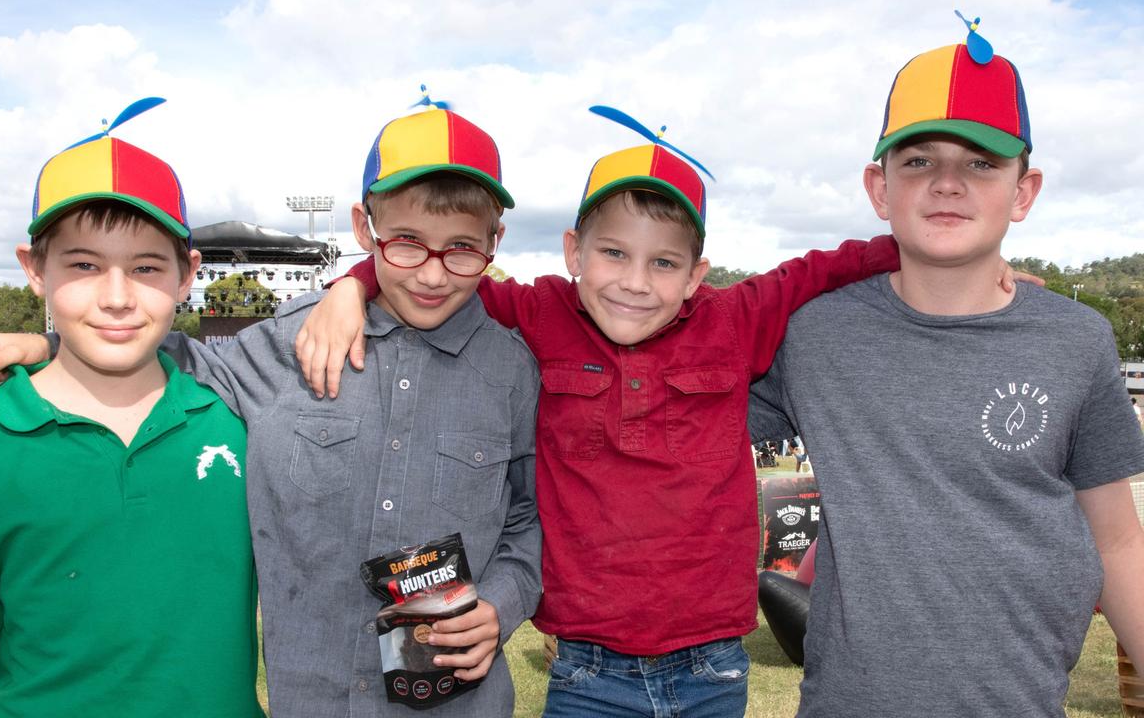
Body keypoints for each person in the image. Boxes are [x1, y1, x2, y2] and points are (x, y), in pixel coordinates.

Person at [293, 105, 1028, 716]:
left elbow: (831, 264)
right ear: (574, 250)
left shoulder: (737, 319)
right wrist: (351, 286)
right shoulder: (540, 311)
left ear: (696, 273)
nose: (635, 284)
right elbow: (432, 268)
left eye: (664, 263)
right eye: (613, 254)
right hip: (585, 672)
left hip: (712, 670)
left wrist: (975, 267)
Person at [0, 103, 542, 717]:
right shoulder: (286, 346)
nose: (432, 273)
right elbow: (171, 353)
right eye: (406, 244)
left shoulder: (512, 372)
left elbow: (530, 522)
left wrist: (500, 605)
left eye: (461, 249)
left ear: (495, 242)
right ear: (364, 230)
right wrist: (48, 345)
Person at [747, 22, 1144, 717]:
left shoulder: (1077, 340)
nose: (949, 184)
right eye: (919, 161)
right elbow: (682, 376)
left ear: (1024, 191)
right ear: (880, 187)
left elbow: (1116, 539)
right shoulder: (813, 335)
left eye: (983, 163)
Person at [0, 115, 262, 716]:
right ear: (35, 270)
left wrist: (356, 285)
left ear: (188, 274)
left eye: (145, 267)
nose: (116, 296)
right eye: (84, 265)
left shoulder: (239, 418)